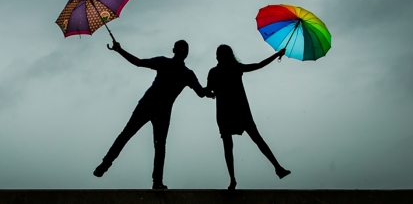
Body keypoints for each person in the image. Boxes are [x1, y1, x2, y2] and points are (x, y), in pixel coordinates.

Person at [93, 39, 210, 189]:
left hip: (158, 110)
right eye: (180, 48)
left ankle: (156, 182)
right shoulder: (169, 65)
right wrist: (119, 50)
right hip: (149, 106)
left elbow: (201, 92)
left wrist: (212, 89)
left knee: (154, 145)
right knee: (130, 136)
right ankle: (105, 164)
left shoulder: (185, 72)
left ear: (186, 53)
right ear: (174, 50)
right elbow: (139, 62)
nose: (182, 51)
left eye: (184, 49)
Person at [206, 44, 290, 190]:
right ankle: (277, 168)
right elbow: (259, 65)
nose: (218, 56)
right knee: (255, 140)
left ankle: (234, 179)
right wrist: (277, 55)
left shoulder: (218, 71)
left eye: (219, 53)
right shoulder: (234, 68)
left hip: (229, 112)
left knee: (230, 146)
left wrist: (211, 93)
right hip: (238, 111)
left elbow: (208, 91)